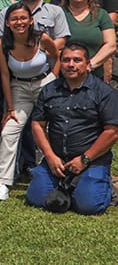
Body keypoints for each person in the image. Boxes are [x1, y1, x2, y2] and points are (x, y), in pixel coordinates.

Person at [25, 42, 118, 215]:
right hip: (57, 161)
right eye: (66, 60)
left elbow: (112, 132)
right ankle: (71, 185)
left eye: (77, 60)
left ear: (87, 64)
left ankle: (108, 187)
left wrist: (85, 159)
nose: (71, 65)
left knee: (89, 206)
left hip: (91, 160)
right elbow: (37, 124)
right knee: (36, 198)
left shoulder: (104, 92)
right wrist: (50, 157)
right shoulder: (49, 90)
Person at [0, 3, 60, 201]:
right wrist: (10, 107)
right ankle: (3, 182)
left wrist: (53, 81)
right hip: (19, 88)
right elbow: (5, 75)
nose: (19, 22)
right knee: (9, 132)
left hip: (44, 84)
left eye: (23, 18)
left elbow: (56, 56)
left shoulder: (42, 38)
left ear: (31, 20)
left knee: (48, 131)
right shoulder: (1, 43)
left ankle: (50, 176)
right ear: (7, 23)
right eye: (14, 19)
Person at [60, 0, 116, 80]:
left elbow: (111, 45)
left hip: (94, 76)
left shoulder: (101, 14)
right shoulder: (58, 14)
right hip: (63, 76)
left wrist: (89, 65)